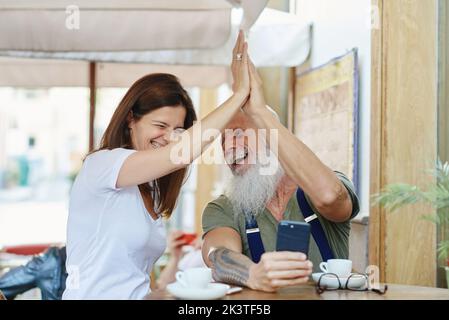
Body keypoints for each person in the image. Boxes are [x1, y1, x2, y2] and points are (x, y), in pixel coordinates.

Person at [63, 32, 251, 300]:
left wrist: (184, 294)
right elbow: (181, 153)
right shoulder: (102, 164)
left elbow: (136, 287)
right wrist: (239, 94)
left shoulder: (149, 188)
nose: (169, 137)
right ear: (131, 119)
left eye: (178, 130)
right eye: (160, 126)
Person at [201, 40, 360, 293]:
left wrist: (260, 112)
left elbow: (331, 197)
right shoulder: (224, 207)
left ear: (271, 137)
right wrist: (252, 273)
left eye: (240, 132)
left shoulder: (324, 185)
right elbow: (216, 255)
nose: (229, 145)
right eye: (223, 139)